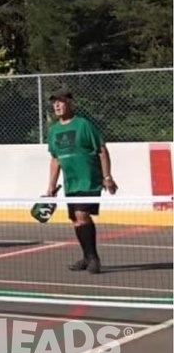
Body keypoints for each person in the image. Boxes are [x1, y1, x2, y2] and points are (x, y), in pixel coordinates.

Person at [45, 87, 117, 274]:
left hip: (89, 179)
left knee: (82, 215)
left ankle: (93, 259)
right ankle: (86, 257)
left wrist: (107, 176)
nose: (57, 105)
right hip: (71, 182)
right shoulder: (53, 131)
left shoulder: (83, 124)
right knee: (75, 219)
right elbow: (55, 159)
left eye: (60, 101)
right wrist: (51, 186)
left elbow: (102, 150)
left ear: (70, 103)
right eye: (54, 102)